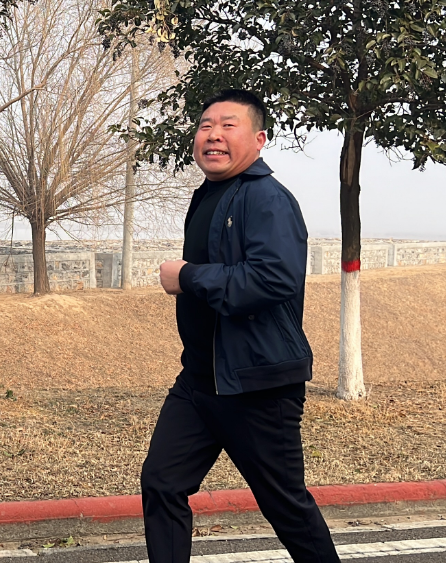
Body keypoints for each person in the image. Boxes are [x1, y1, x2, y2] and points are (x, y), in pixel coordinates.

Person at [143, 89, 341, 562]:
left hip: (258, 384)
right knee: (162, 482)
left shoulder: (267, 198)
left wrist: (188, 276)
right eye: (205, 126)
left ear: (259, 139)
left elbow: (273, 279)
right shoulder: (209, 195)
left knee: (285, 506)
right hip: (200, 381)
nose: (213, 135)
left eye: (228, 126)